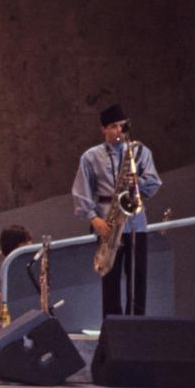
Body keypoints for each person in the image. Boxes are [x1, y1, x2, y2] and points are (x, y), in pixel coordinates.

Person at [72, 104, 162, 317]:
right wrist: (94, 219)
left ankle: (137, 324)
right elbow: (81, 191)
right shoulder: (90, 157)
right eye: (113, 126)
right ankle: (112, 326)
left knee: (138, 278)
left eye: (122, 126)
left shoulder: (140, 151)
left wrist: (136, 181)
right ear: (103, 128)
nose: (119, 131)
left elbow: (154, 182)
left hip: (135, 222)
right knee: (110, 279)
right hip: (107, 220)